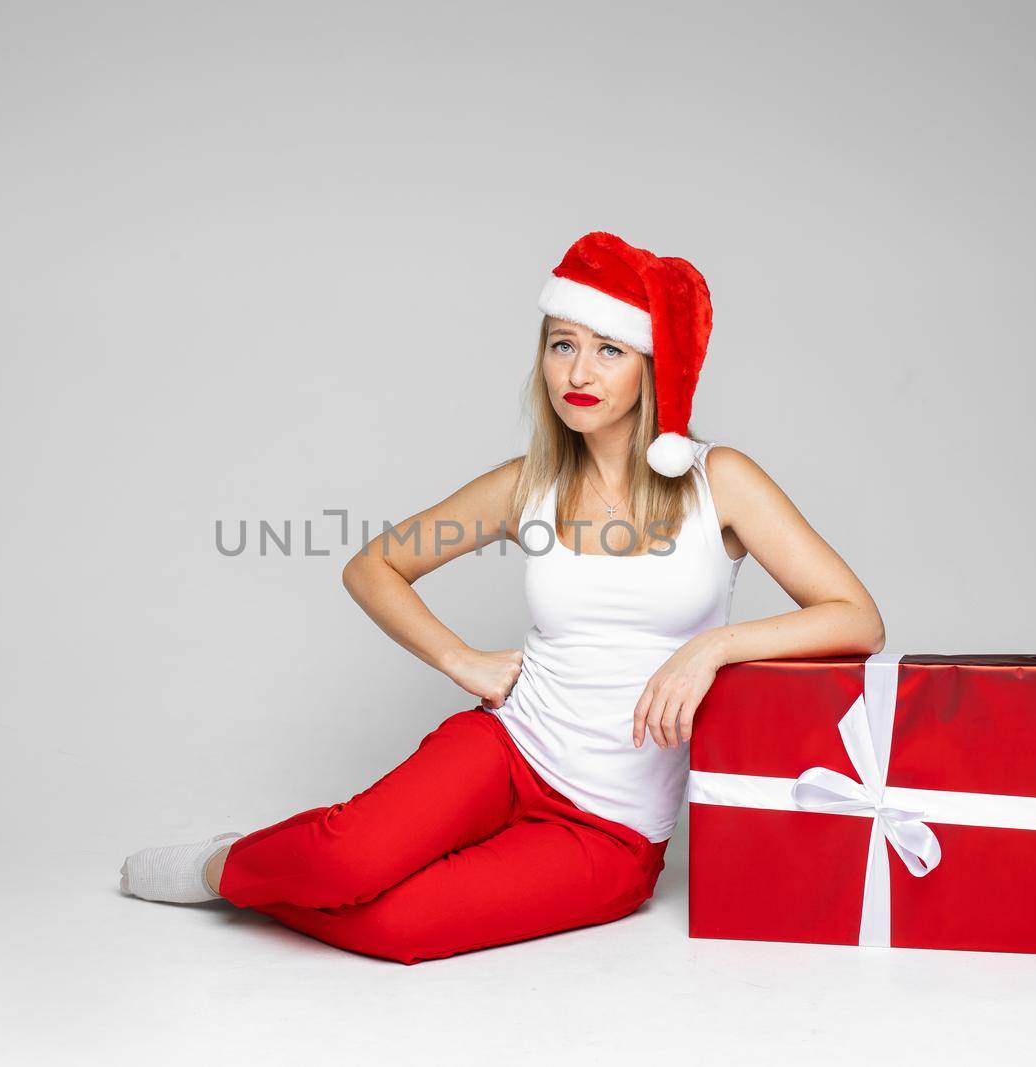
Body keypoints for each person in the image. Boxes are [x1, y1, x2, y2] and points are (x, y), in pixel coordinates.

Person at [118, 231, 886, 964]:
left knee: (396, 924)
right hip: (507, 748)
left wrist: (712, 648)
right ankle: (224, 865)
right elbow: (372, 566)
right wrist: (462, 661)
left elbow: (857, 618)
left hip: (611, 832)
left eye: (608, 349)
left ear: (651, 367)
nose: (577, 374)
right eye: (562, 344)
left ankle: (281, 870)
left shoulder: (720, 481)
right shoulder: (530, 485)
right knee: (347, 861)